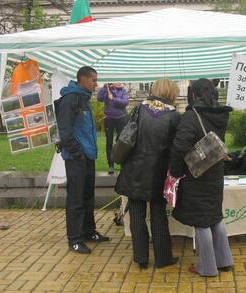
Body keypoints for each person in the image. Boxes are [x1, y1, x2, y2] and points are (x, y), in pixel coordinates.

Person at [169, 78, 234, 277]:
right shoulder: (220, 114)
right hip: (215, 172)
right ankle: (224, 260)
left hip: (196, 173)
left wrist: (176, 170)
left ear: (194, 94)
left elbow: (180, 146)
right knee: (215, 215)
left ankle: (207, 267)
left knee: (201, 221)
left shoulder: (192, 116)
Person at [115, 79, 181, 269]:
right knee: (159, 215)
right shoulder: (174, 117)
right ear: (170, 93)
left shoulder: (138, 110)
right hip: (158, 174)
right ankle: (163, 259)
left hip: (133, 171)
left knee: (136, 215)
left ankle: (141, 259)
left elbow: (127, 137)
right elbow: (176, 148)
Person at [57, 66, 109, 254]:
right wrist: (77, 152)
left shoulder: (83, 99)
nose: (96, 84)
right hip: (76, 158)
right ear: (82, 79)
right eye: (93, 80)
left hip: (87, 156)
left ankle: (88, 231)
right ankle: (75, 239)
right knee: (76, 199)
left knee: (87, 196)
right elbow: (65, 131)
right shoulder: (70, 99)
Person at [97, 83, 129, 174]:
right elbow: (100, 98)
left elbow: (125, 102)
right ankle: (111, 164)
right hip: (109, 118)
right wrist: (103, 88)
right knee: (109, 142)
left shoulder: (123, 90)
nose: (118, 82)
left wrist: (113, 99)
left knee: (122, 142)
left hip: (121, 118)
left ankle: (123, 163)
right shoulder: (107, 89)